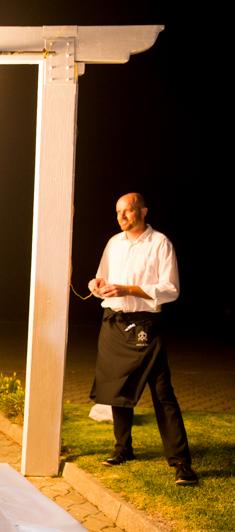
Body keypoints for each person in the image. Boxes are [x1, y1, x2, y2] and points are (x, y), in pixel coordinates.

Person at [87, 193, 197, 486]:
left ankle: (181, 462)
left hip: (145, 324)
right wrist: (97, 285)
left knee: (162, 392)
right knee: (117, 388)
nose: (121, 217)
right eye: (118, 212)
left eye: (128, 211)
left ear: (143, 212)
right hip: (113, 323)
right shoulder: (114, 243)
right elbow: (102, 279)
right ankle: (123, 449)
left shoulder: (160, 243)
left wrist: (128, 289)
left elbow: (171, 289)